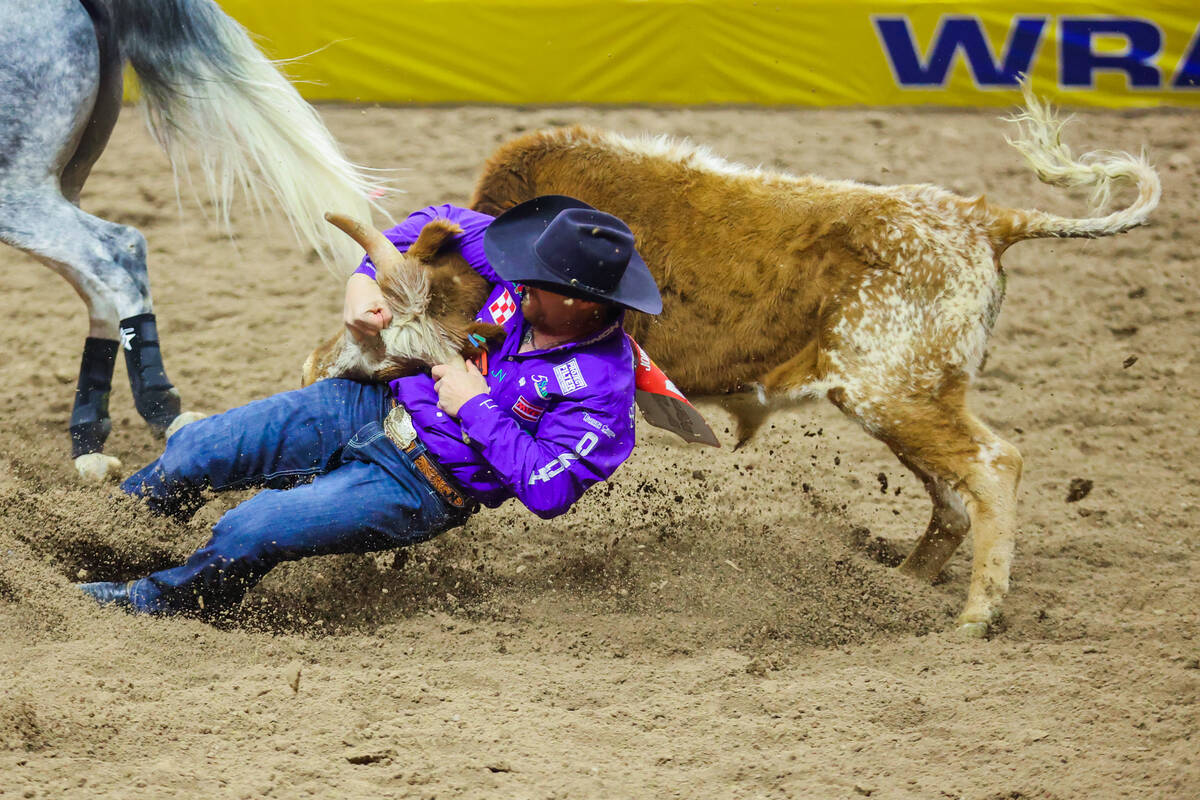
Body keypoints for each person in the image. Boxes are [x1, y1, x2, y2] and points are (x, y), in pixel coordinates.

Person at [77, 195, 662, 616]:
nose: (519, 281)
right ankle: (96, 536)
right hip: (367, 400)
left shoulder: (602, 392)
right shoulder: (526, 276)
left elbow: (548, 489)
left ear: (588, 305)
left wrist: (477, 406)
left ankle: (156, 601)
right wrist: (361, 282)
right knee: (197, 448)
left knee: (248, 529)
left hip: (425, 485)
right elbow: (438, 222)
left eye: (537, 281)